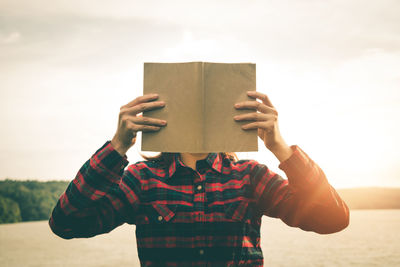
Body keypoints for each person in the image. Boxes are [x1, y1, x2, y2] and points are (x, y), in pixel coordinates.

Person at [49, 91, 349, 266]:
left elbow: (332, 218)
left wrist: (280, 147)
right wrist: (117, 145)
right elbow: (67, 223)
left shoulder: (250, 176)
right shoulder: (142, 180)